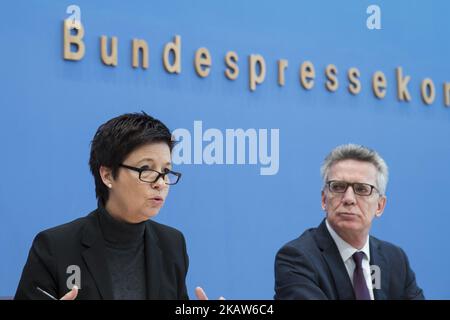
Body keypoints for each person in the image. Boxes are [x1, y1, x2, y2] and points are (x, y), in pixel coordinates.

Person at [15, 112, 210, 300]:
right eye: (146, 168)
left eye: (166, 170)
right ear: (107, 175)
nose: (161, 182)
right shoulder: (55, 247)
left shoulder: (172, 244)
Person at [274, 144, 424, 300]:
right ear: (324, 199)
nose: (349, 199)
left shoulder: (395, 260)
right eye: (338, 187)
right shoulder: (297, 258)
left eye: (362, 189)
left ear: (380, 206)